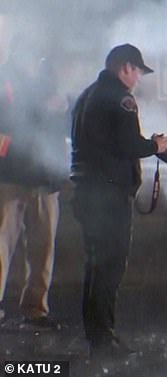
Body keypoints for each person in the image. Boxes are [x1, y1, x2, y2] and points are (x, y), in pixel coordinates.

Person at [70, 43, 167, 358]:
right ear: (125, 67)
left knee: (95, 265)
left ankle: (95, 336)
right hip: (109, 196)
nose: (138, 78)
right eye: (137, 71)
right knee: (110, 267)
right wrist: (155, 146)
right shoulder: (122, 99)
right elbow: (128, 144)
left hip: (86, 191)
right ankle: (104, 339)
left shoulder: (87, 95)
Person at [0, 39, 68, 330]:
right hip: (12, 176)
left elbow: (60, 126)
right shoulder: (6, 83)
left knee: (43, 249)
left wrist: (61, 108)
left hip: (43, 178)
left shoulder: (48, 82)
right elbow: (11, 123)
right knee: (2, 246)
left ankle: (36, 309)